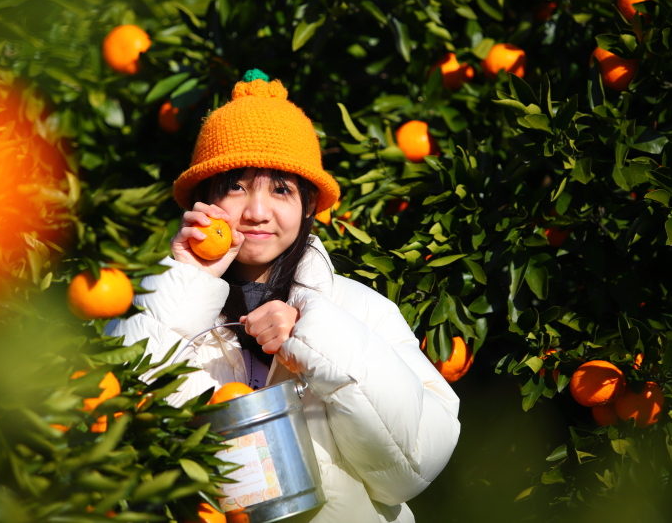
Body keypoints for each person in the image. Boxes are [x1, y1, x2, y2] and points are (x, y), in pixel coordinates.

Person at [109, 70, 460, 522]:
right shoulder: (166, 301)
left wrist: (316, 336)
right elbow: (123, 411)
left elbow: (414, 466)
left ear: (309, 204)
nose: (256, 211)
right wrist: (185, 279)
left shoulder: (361, 310)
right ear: (205, 198)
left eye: (280, 189)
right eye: (236, 186)